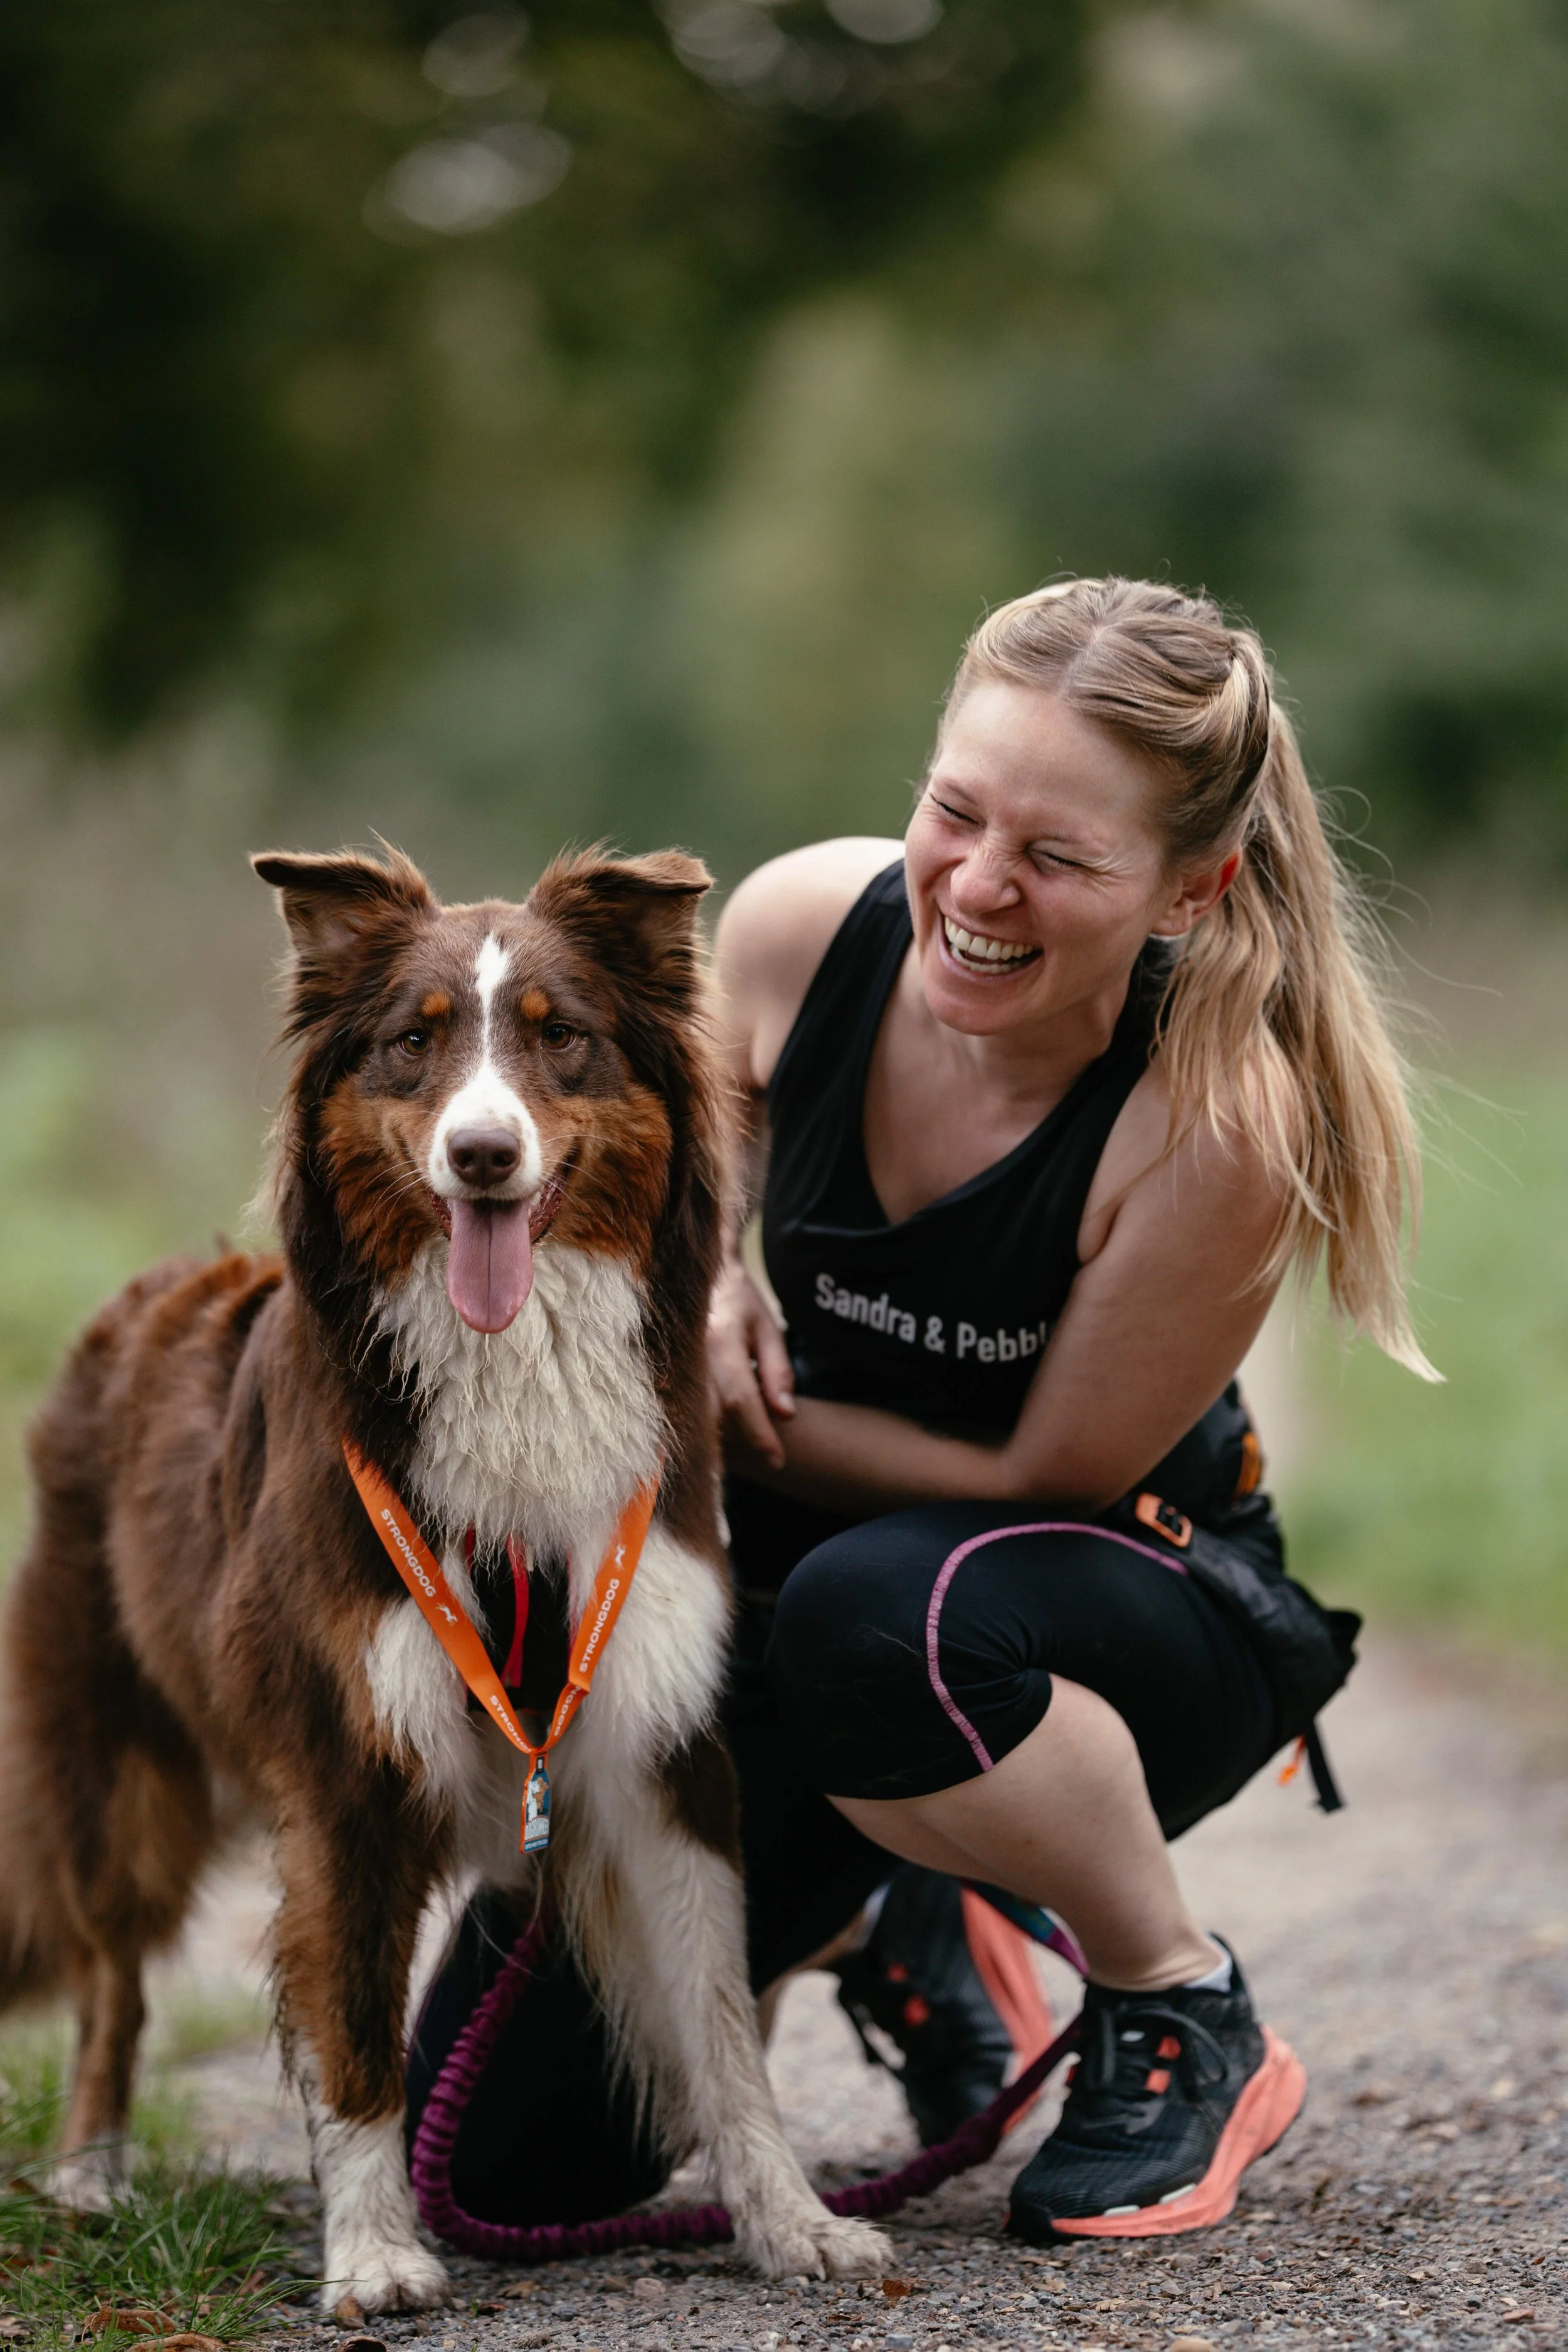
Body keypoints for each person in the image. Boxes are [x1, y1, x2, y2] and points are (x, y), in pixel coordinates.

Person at [405, 576, 1428, 2241]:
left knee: (884, 1612)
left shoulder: (1214, 1120)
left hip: (1089, 1609)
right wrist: (712, 1271)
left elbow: (1047, 1469)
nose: (976, 882)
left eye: (1059, 856)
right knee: (499, 2170)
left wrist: (702, 1412)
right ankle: (907, 1914)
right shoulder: (801, 929)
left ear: (1191, 885)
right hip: (801, 1604)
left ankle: (1174, 1995)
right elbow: (678, 1178)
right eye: (954, 810)